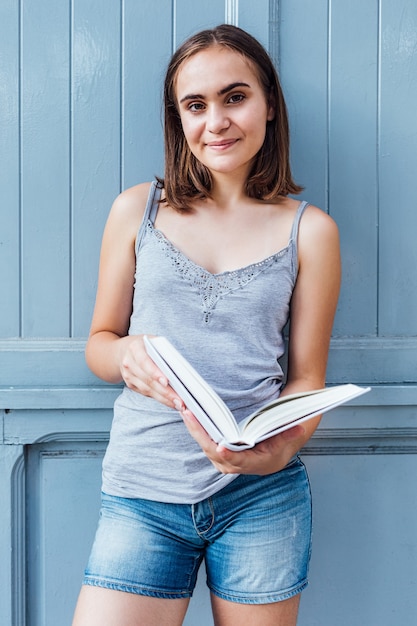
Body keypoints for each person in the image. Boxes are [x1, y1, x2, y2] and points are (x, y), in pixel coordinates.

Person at [72, 23, 341, 626]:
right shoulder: (136, 209)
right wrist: (126, 355)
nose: (215, 121)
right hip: (143, 492)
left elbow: (306, 381)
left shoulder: (311, 231)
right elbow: (98, 344)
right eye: (196, 105)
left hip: (262, 498)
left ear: (269, 105)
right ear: (179, 119)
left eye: (235, 97)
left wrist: (277, 452)